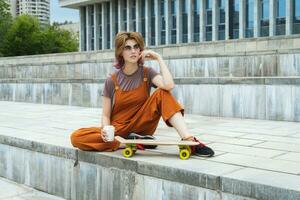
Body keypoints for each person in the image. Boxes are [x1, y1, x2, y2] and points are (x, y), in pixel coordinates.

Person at [70, 32, 214, 157]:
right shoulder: (111, 80)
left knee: (162, 92)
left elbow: (169, 85)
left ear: (140, 50)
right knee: (77, 137)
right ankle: (129, 143)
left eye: (136, 47)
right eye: (128, 47)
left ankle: (188, 140)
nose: (133, 51)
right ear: (121, 52)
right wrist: (106, 130)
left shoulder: (147, 73)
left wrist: (159, 58)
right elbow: (106, 115)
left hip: (142, 124)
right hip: (119, 129)